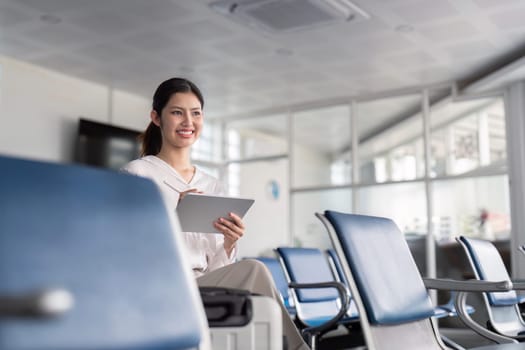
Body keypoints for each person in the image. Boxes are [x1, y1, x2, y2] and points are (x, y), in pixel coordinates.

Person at [121, 77, 310, 350]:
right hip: (163, 285)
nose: (188, 121)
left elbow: (216, 270)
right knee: (255, 269)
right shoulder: (137, 174)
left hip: (204, 285)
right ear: (156, 118)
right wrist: (174, 218)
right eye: (177, 112)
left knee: (252, 283)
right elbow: (129, 252)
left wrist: (230, 244)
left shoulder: (213, 184)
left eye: (195, 113)